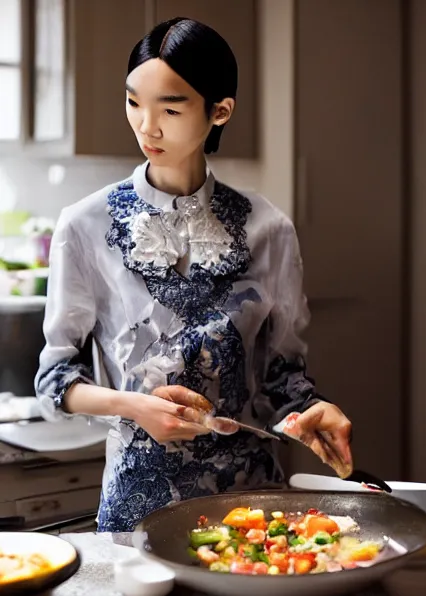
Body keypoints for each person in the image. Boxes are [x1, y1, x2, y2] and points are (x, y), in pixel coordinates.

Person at [35, 17, 353, 532]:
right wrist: (134, 406)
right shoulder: (85, 224)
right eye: (134, 101)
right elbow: (55, 381)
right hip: (138, 506)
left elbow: (281, 380)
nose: (146, 125)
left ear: (220, 111)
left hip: (251, 502)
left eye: (171, 107)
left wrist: (314, 410)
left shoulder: (268, 227)